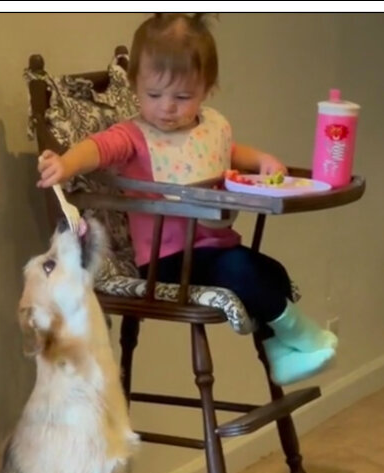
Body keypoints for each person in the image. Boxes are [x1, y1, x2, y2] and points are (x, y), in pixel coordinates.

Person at [37, 12, 337, 386]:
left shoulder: (209, 127)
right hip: (168, 262)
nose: (167, 107)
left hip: (216, 248)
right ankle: (304, 337)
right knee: (241, 273)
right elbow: (96, 148)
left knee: (271, 271)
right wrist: (65, 163)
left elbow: (230, 151)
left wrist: (261, 161)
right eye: (154, 94)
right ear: (134, 86)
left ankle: (279, 353)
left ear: (207, 89)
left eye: (182, 96)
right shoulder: (134, 136)